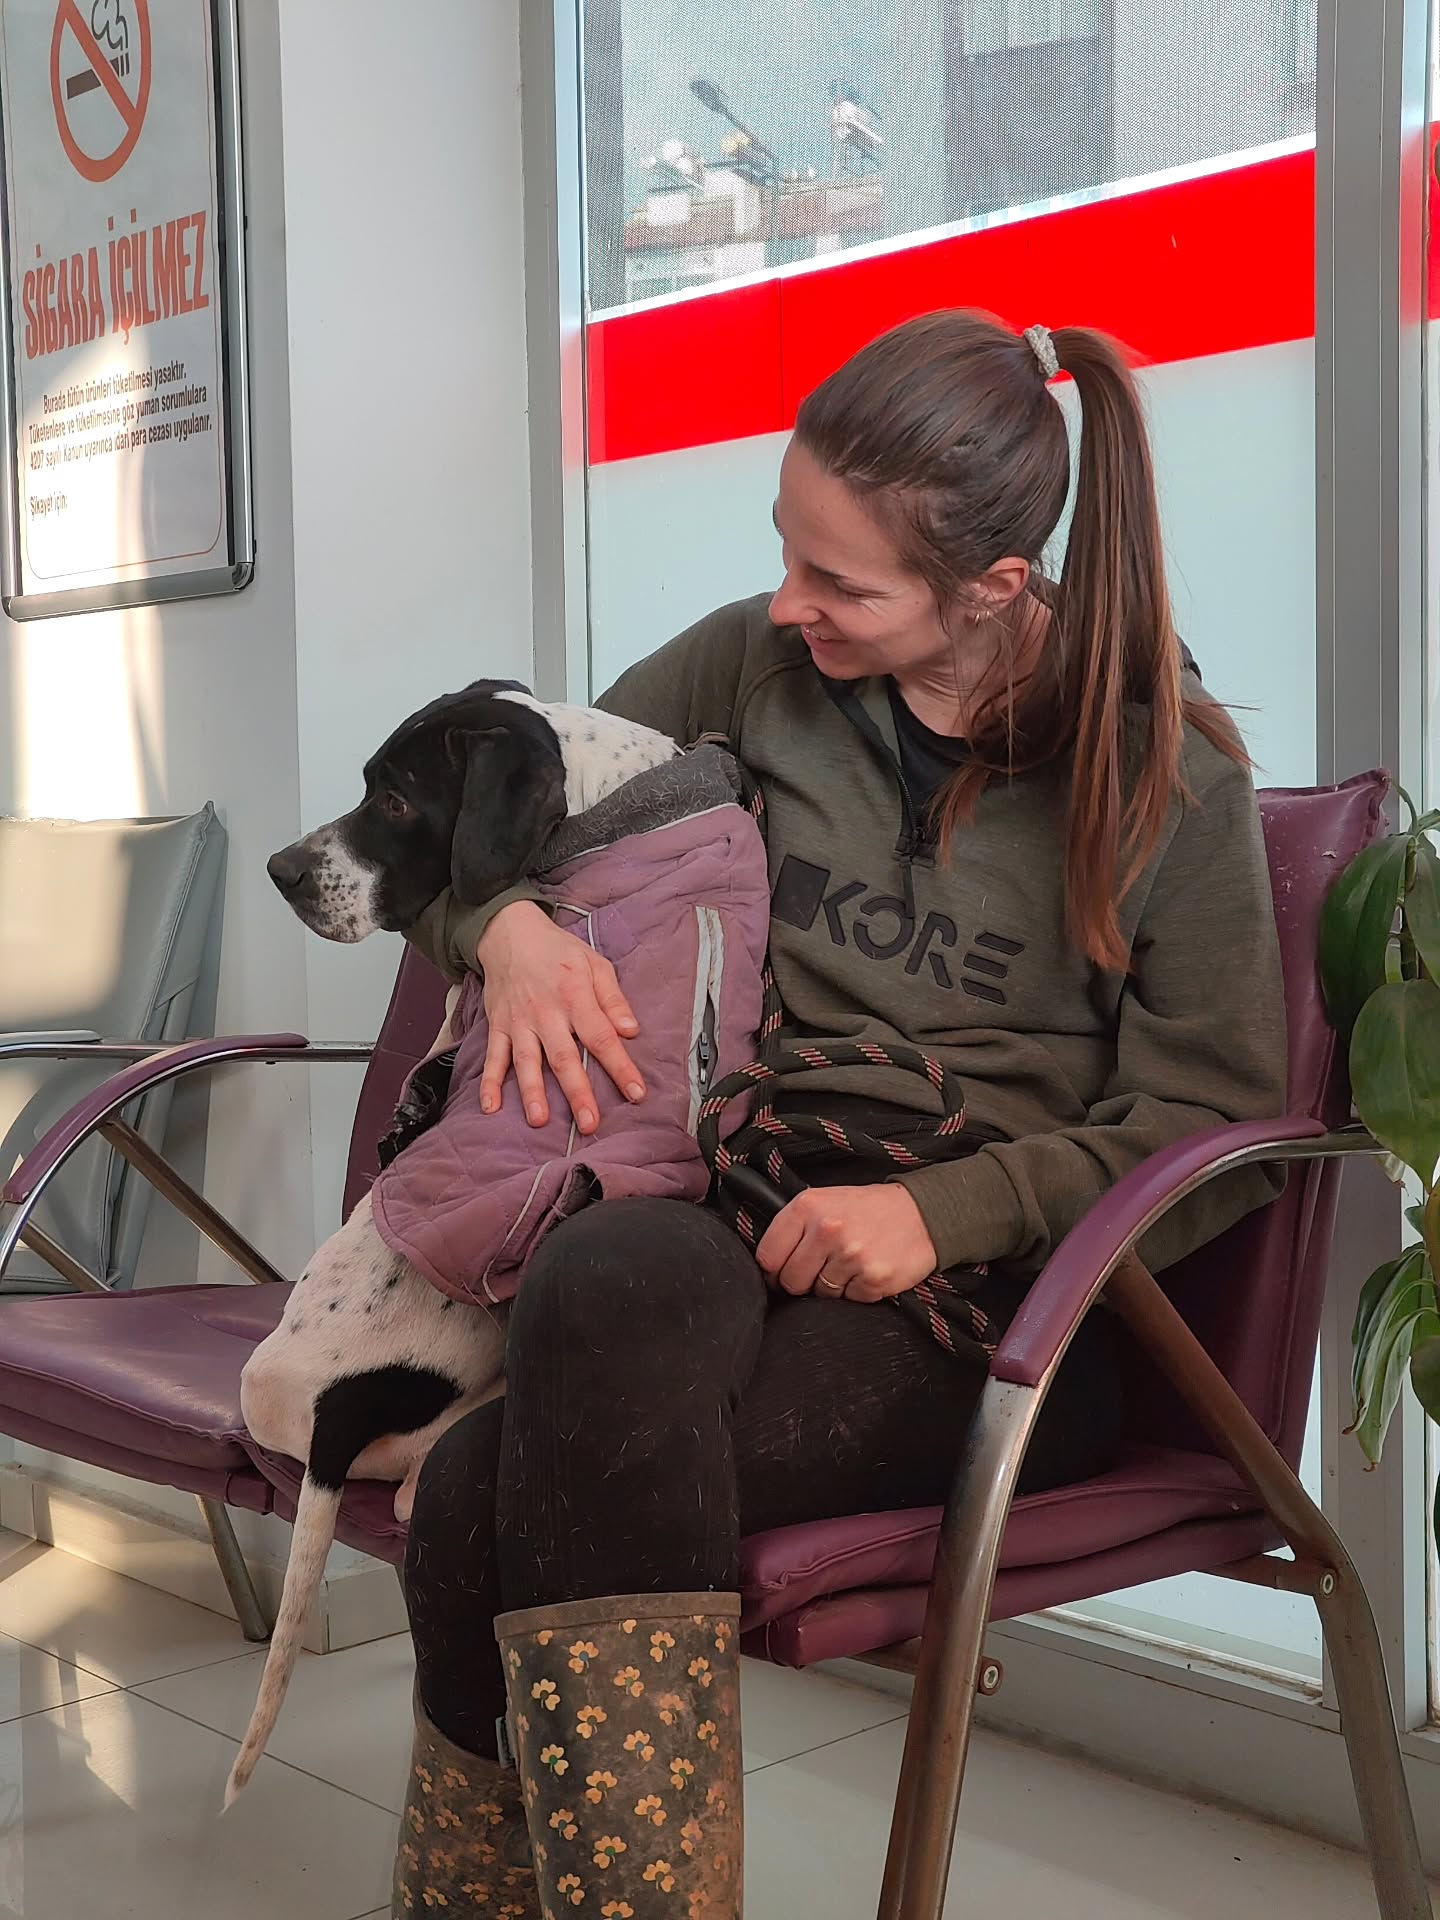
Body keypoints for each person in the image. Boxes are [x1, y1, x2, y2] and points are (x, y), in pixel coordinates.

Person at [389, 311, 1287, 1919]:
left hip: (1000, 1313)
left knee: (473, 1493)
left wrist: (939, 1214)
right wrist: (501, 923)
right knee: (605, 1268)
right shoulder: (754, 663)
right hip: (743, 1206)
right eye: (787, 550)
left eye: (844, 584)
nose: (790, 603)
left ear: (993, 589)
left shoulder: (1167, 777)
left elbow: (1208, 1127)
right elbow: (497, 805)